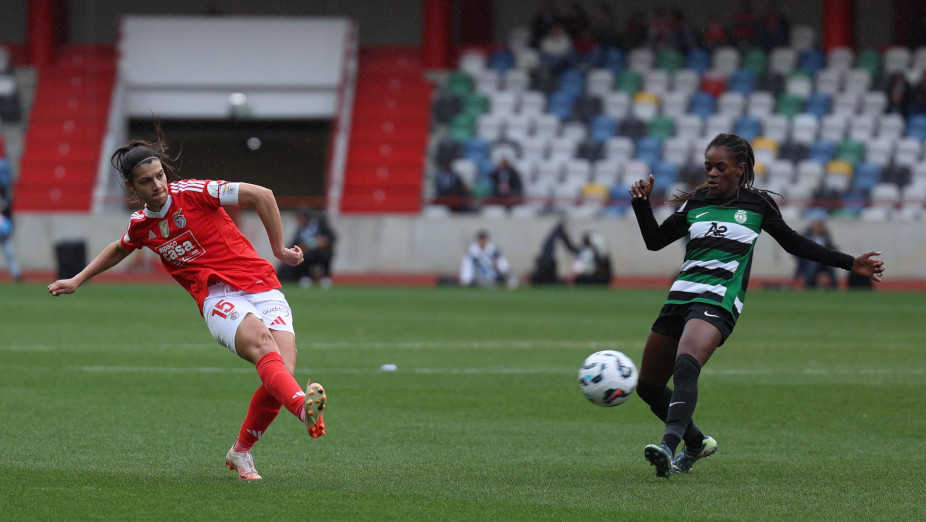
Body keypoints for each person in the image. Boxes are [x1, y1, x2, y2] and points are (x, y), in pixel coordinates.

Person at [47, 121, 328, 481]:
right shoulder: (140, 225)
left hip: (261, 284)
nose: (158, 185)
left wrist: (278, 249)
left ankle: (240, 453)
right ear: (133, 187)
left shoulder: (195, 192)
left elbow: (263, 195)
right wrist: (78, 279)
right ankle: (304, 411)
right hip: (216, 296)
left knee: (281, 375)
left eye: (159, 175)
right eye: (146, 181)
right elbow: (120, 248)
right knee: (260, 343)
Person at [628, 133, 884, 478]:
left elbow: (794, 243)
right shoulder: (696, 203)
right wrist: (642, 205)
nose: (712, 173)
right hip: (680, 297)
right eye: (708, 167)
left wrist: (850, 262)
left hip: (719, 300)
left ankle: (667, 448)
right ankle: (695, 442)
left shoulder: (757, 205)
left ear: (740, 169)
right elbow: (655, 242)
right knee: (648, 387)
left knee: (686, 365)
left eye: (721, 167)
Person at [287, 207, 337, 288]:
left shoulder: (320, 223)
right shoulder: (300, 229)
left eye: (300, 217)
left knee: (327, 254)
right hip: (308, 253)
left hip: (322, 251)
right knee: (302, 255)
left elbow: (332, 237)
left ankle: (325, 277)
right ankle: (306, 276)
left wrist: (324, 240)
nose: (298, 220)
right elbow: (294, 244)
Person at [793, 219, 839, 289]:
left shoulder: (826, 236)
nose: (821, 228)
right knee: (813, 264)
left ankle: (834, 286)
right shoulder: (806, 236)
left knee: (831, 267)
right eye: (819, 226)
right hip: (809, 260)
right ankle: (808, 285)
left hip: (824, 261)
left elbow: (831, 248)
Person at [0, 156, 23, 282]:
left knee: (9, 252)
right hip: (4, 229)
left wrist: (11, 227)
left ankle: (16, 273)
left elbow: (8, 213)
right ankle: (16, 273)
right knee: (9, 252)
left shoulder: (5, 198)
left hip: (4, 230)